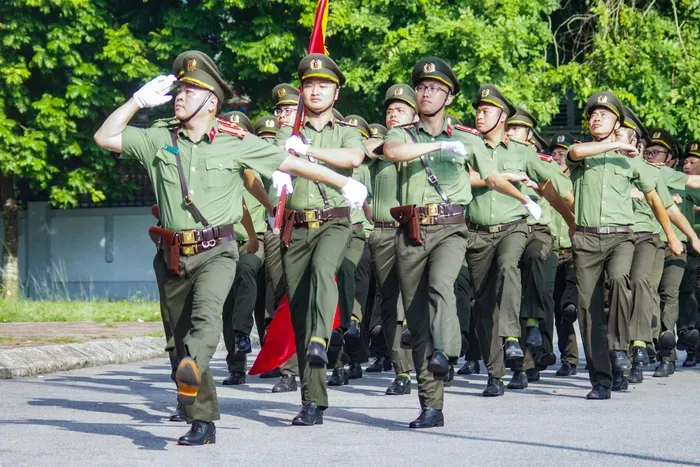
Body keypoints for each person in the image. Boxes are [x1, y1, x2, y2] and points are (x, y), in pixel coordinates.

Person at [93, 50, 367, 443]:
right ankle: (202, 421)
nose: (179, 97)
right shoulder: (158, 138)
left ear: (211, 102)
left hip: (217, 251)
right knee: (178, 340)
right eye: (179, 90)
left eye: (190, 91)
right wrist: (136, 101)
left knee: (203, 325)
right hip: (171, 255)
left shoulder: (237, 143)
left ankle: (194, 373)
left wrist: (343, 184)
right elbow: (104, 137)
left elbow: (292, 164)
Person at [383, 57, 540, 428]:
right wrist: (436, 150)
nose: (426, 93)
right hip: (411, 229)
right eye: (421, 87)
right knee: (417, 319)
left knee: (441, 285)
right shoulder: (402, 134)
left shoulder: (467, 139)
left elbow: (491, 176)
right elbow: (392, 154)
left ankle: (449, 352)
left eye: (435, 88)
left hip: (452, 228)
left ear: (449, 97)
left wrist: (523, 199)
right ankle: (432, 406)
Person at [566, 91, 682, 400]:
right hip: (587, 238)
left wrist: (671, 235)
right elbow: (575, 154)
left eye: (603, 114)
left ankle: (619, 349)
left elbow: (657, 199)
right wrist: (615, 144)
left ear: (617, 121)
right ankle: (601, 380)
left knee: (619, 279)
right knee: (588, 310)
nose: (596, 117)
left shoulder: (632, 162)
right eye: (592, 114)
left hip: (620, 237)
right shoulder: (581, 153)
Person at [273, 53, 369, 426]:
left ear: (336, 92)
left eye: (323, 85)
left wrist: (306, 150)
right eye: (310, 85)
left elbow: (353, 157)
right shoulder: (287, 131)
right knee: (298, 310)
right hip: (295, 228)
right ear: (301, 91)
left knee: (323, 270)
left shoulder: (344, 129)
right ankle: (312, 400)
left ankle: (320, 338)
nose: (316, 90)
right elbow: (276, 156)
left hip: (335, 222)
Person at [466, 87, 572, 397]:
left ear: (502, 117)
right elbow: (461, 179)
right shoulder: (470, 146)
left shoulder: (523, 152)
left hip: (514, 228)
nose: (479, 114)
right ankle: (495, 373)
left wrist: (573, 217)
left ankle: (514, 338)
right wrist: (501, 178)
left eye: (487, 110)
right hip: (477, 234)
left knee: (509, 266)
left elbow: (552, 185)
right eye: (478, 109)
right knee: (484, 307)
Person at [367, 84, 418, 395]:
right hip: (384, 232)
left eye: (400, 109)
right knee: (390, 302)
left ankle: (430, 359)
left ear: (415, 114)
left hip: (416, 230)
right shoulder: (378, 149)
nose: (393, 113)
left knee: (415, 299)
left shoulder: (425, 145)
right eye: (390, 109)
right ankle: (402, 370)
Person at [218, 111, 267, 386]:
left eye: (238, 130)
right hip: (224, 241)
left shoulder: (258, 165)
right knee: (228, 305)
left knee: (248, 272)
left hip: (256, 241)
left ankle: (243, 334)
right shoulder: (219, 163)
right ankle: (236, 366)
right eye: (227, 129)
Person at [548, 132, 580, 377]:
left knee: (568, 307)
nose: (558, 157)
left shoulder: (579, 181)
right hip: (550, 250)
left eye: (562, 153)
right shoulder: (545, 182)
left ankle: (573, 358)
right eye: (555, 153)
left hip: (574, 252)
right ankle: (556, 356)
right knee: (552, 307)